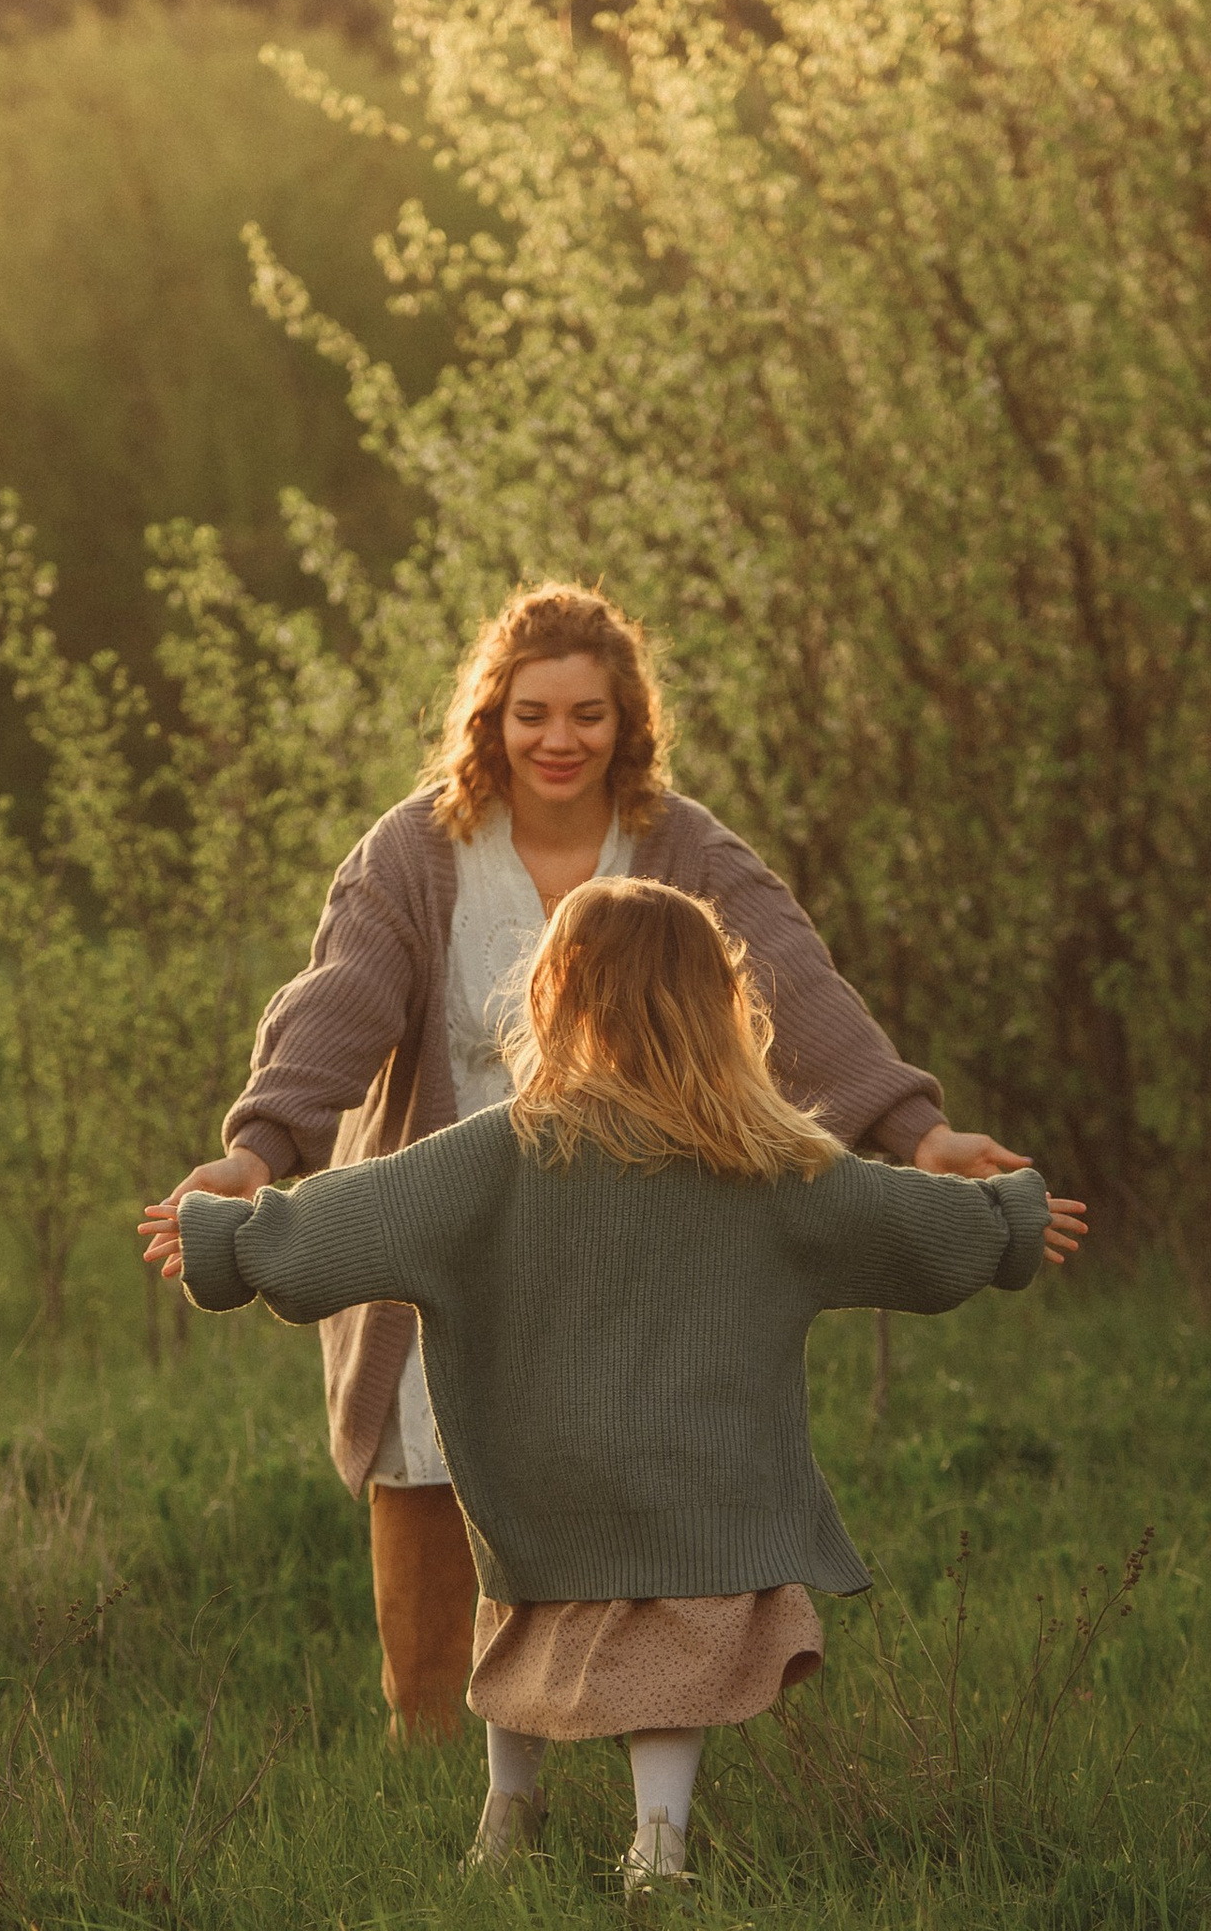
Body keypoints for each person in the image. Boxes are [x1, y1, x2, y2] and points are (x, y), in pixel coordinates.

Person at [140, 583, 1043, 1739]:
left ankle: (647, 1741)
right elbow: (342, 1002)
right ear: (489, 717)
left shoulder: (682, 845)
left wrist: (916, 1131)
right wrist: (256, 1149)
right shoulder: (416, 854)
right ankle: (434, 1752)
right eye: (531, 712)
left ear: (628, 722)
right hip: (462, 1214)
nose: (557, 739)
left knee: (636, 1471)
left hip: (647, 1235)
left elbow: (797, 989)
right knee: (426, 1466)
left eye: (586, 713)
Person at [157, 878, 1085, 1897]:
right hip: (696, 1486)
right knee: (673, 1650)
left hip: (534, 1482)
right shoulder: (770, 1164)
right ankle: (656, 1839)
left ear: (552, 993)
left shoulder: (499, 1153)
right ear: (719, 1003)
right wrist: (1006, 1224)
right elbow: (904, 1224)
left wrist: (226, 1241)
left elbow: (346, 1221)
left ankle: (506, 1815)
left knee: (523, 1617)